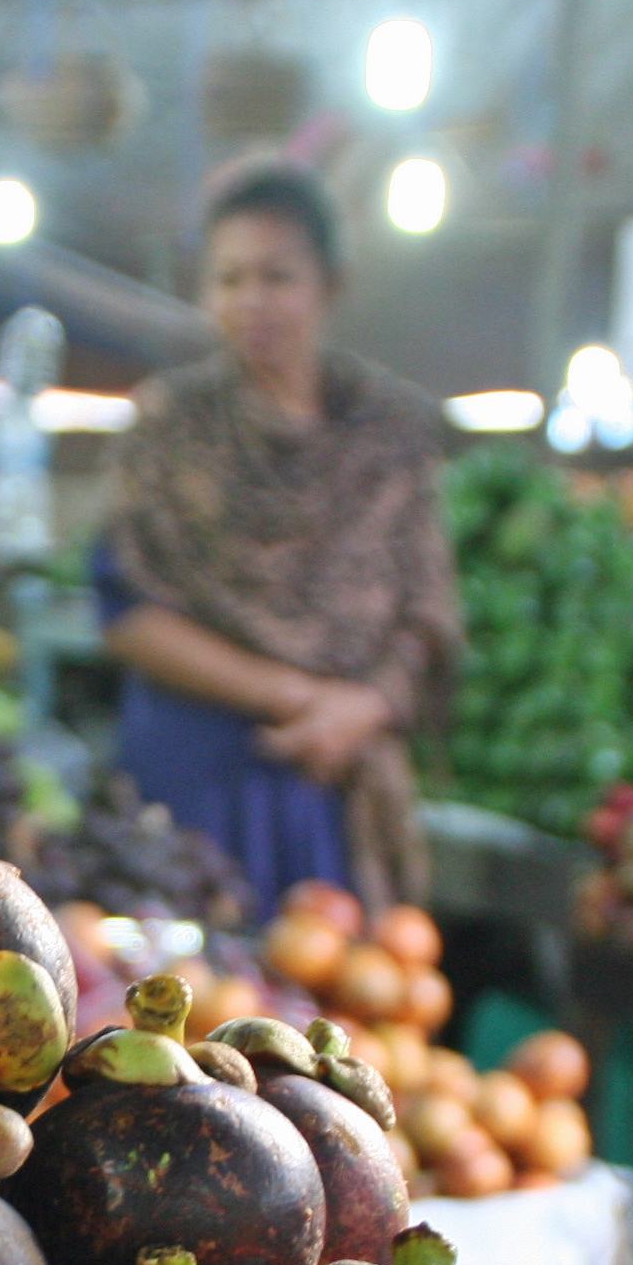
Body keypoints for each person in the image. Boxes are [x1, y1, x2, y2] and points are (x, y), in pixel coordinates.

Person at [96, 161, 461, 912]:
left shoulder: (390, 432)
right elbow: (126, 612)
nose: (250, 301)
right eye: (229, 279)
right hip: (196, 774)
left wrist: (359, 710)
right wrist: (295, 695)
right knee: (185, 1002)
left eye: (277, 276)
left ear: (331, 283)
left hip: (332, 778)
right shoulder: (170, 427)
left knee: (343, 1005)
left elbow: (425, 618)